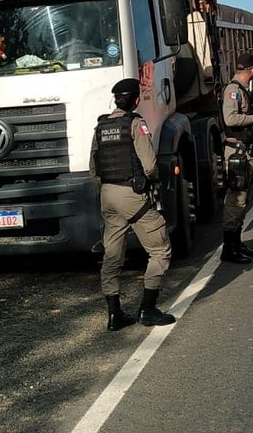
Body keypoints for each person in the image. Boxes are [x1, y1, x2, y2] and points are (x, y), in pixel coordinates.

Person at [90, 78, 176, 331]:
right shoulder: (136, 124)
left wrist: (106, 190)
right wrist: (152, 181)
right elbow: (149, 165)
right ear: (136, 100)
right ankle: (147, 309)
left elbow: (93, 167)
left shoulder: (101, 126)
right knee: (160, 249)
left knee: (112, 254)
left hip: (107, 195)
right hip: (132, 195)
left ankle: (114, 314)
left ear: (116, 100)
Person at [220, 52, 253, 264]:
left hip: (245, 151)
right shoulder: (233, 91)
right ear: (252, 70)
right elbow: (230, 118)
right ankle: (229, 249)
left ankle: (237, 244)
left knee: (243, 199)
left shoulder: (242, 90)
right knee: (235, 200)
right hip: (237, 152)